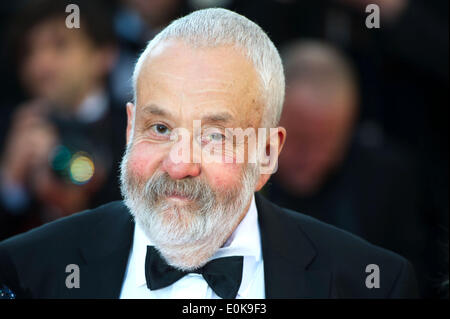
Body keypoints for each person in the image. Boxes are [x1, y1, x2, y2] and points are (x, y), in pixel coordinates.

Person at [0, 8, 418, 299]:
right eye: (160, 129)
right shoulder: (24, 270)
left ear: (268, 153)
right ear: (130, 130)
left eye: (214, 137)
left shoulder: (373, 284)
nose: (179, 164)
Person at [265, 40, 429, 296]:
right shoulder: (237, 176)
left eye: (326, 141)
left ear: (349, 128)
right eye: (299, 138)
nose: (309, 156)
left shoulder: (386, 177)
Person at [0, 0, 126, 239]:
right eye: (29, 52)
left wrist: (79, 206)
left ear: (104, 55)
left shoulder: (136, 129)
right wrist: (11, 182)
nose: (40, 65)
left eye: (60, 46)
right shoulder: (9, 129)